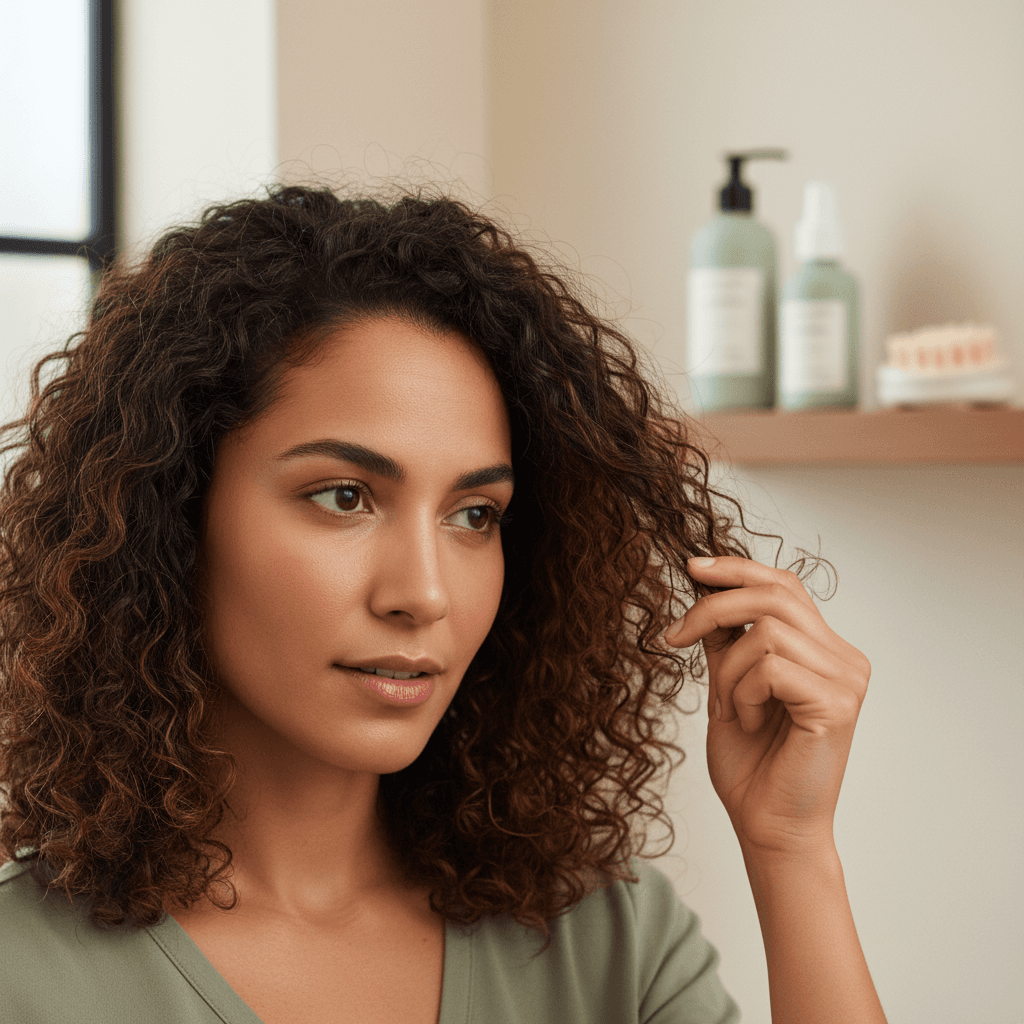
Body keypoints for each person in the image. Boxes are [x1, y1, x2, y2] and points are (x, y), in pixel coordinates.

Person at [0, 180, 887, 1023]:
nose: (424, 595)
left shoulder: (606, 941)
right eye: (345, 496)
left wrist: (792, 852)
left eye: (473, 515)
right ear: (173, 510)